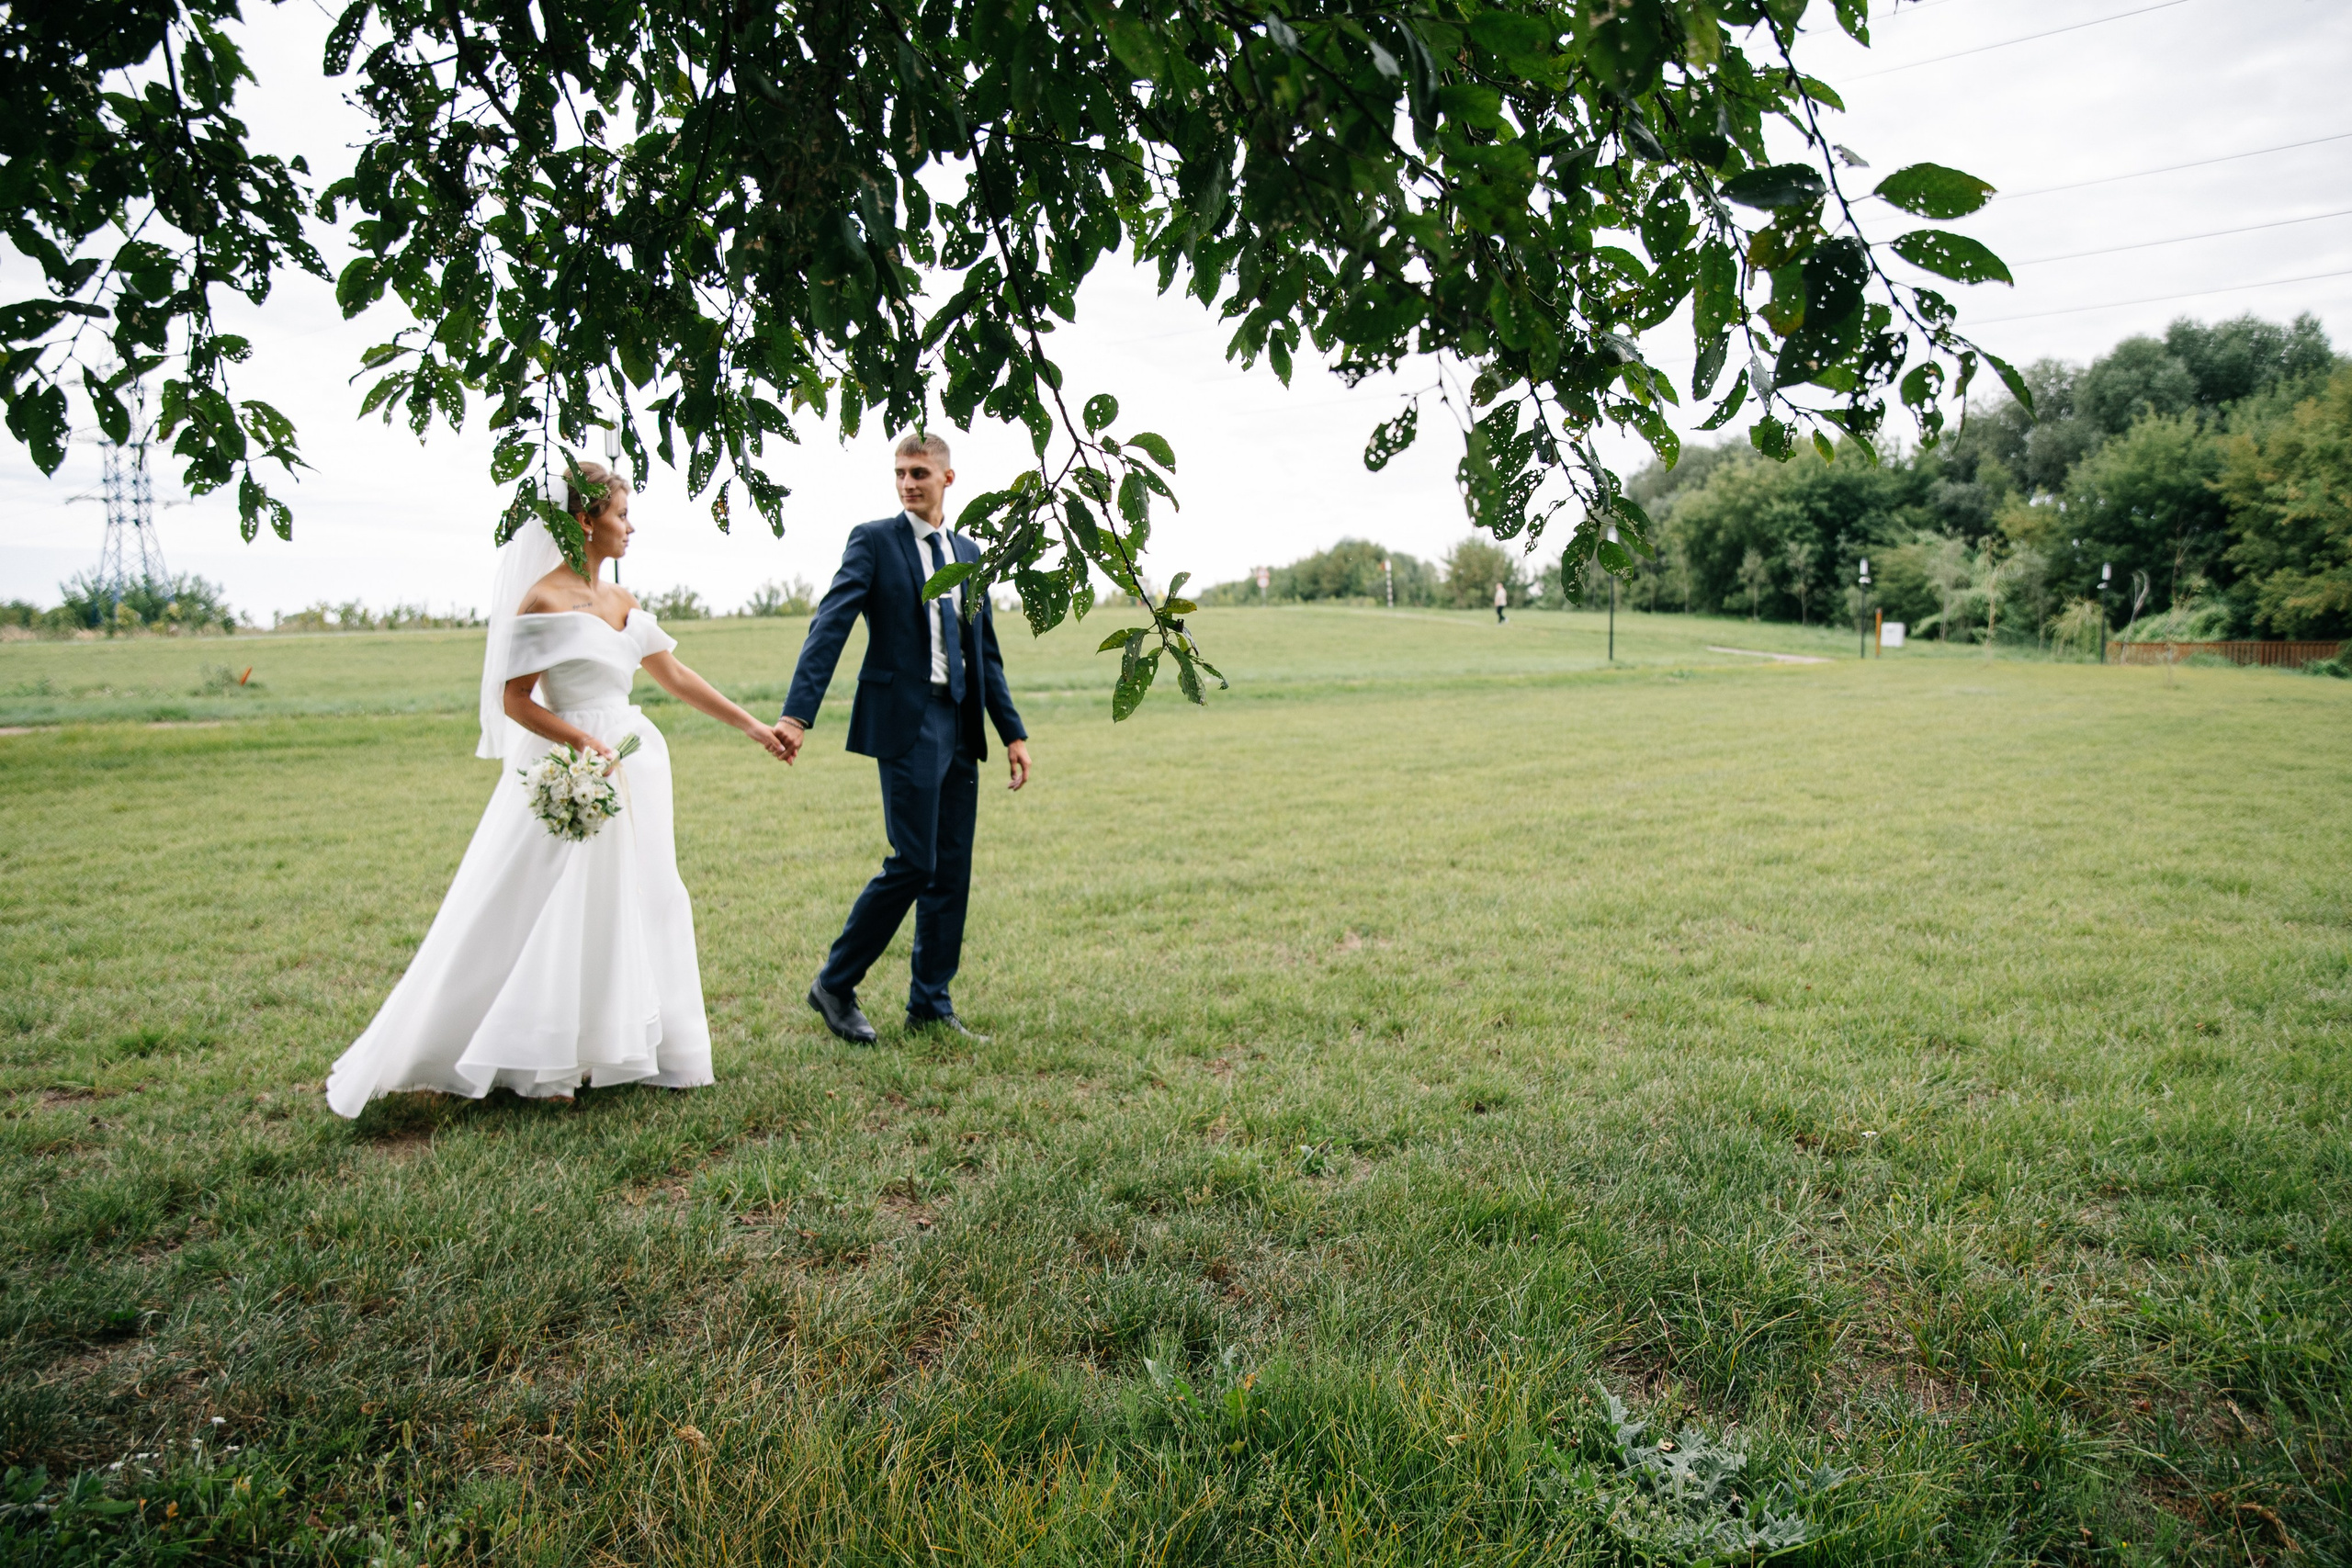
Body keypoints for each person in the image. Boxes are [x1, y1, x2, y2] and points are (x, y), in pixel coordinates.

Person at [325, 464, 791, 1117]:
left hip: (636, 765)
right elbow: (514, 700)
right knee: (560, 903)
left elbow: (676, 675)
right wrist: (580, 743)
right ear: (585, 519)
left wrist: (754, 727)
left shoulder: (623, 601)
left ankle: (638, 1044)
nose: (631, 526)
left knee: (641, 897)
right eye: (622, 514)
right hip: (575, 764)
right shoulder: (542, 599)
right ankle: (543, 1058)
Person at [775, 432, 1031, 1044]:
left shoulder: (968, 552)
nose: (908, 483)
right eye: (900, 473)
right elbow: (830, 624)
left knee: (951, 869)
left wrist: (1012, 732)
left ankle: (930, 1003)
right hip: (906, 721)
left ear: (948, 478)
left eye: (919, 472)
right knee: (913, 861)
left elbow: (984, 651)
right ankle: (834, 982)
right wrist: (796, 714)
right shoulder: (873, 541)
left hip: (960, 718)